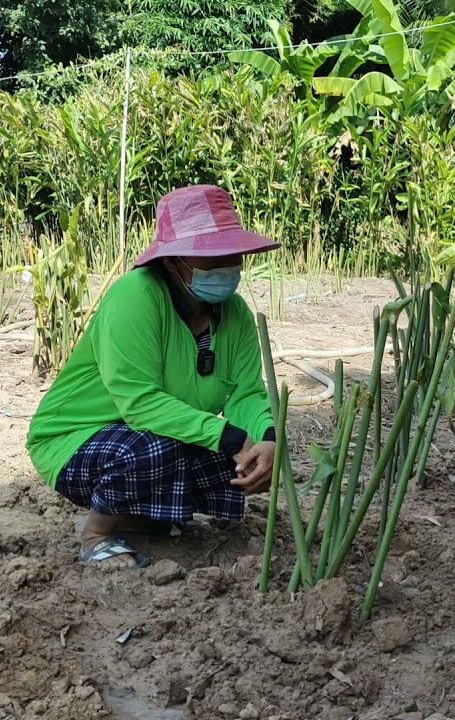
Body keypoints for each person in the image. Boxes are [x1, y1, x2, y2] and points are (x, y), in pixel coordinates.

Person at [26, 185, 280, 571]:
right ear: (174, 261)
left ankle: (142, 522)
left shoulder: (236, 314)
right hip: (77, 440)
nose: (227, 265)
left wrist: (267, 439)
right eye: (211, 257)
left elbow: (246, 392)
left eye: (232, 254)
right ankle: (98, 536)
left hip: (153, 431)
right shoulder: (135, 298)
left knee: (235, 458)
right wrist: (230, 436)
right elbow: (140, 404)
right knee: (154, 450)